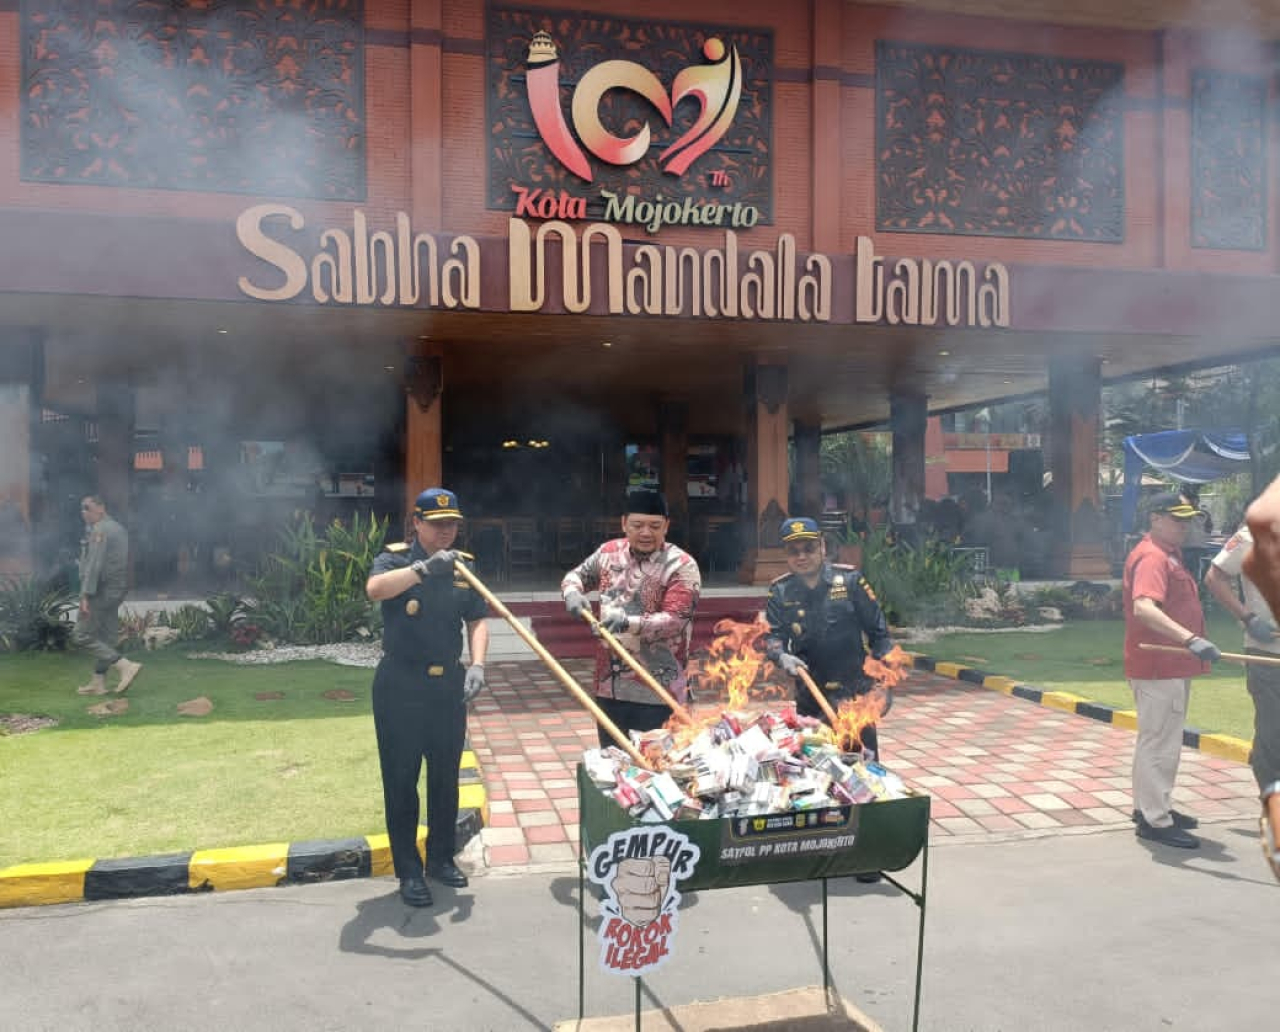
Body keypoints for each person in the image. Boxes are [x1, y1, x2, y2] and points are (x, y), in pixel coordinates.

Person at [365, 488, 488, 907]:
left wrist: (478, 664)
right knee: (401, 781)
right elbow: (376, 589)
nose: (445, 533)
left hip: (447, 686)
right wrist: (421, 569)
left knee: (444, 778)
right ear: (416, 523)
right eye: (436, 525)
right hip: (400, 684)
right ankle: (409, 871)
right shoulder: (395, 558)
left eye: (451, 525)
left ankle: (440, 859)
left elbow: (477, 619)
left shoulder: (464, 566)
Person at [561, 490, 701, 749]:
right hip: (610, 688)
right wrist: (571, 591)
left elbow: (675, 620)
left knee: (659, 771)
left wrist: (628, 622)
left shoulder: (681, 565)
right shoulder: (608, 553)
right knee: (614, 766)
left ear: (667, 526)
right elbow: (576, 575)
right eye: (637, 525)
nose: (646, 533)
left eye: (655, 526)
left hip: (660, 691)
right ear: (624, 523)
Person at [1123, 491, 1221, 849]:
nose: (1184, 526)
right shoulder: (1152, 557)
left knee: (1157, 739)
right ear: (1155, 518)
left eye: (1187, 519)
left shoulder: (1168, 554)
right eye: (1176, 519)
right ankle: (1155, 820)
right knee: (1160, 742)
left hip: (1169, 664)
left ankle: (1150, 806)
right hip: (1158, 664)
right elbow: (1144, 608)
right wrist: (1190, 639)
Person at [764, 517, 894, 758]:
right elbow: (773, 636)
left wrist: (882, 683)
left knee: (864, 767)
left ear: (822, 547)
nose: (801, 556)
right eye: (794, 551)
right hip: (811, 696)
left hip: (855, 693)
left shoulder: (850, 581)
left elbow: (880, 635)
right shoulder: (780, 591)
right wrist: (780, 654)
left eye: (809, 548)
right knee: (817, 768)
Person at [1205, 508, 1280, 878]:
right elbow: (1215, 576)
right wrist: (1248, 617)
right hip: (1267, 656)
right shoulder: (1251, 535)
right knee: (1272, 737)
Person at [73, 495, 142, 696]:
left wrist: (85, 595)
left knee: (80, 634)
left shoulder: (101, 530)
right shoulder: (116, 528)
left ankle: (125, 666)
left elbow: (95, 564)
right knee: (107, 637)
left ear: (101, 508)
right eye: (81, 508)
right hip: (115, 590)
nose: (83, 512)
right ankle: (98, 683)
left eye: (87, 507)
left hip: (100, 591)